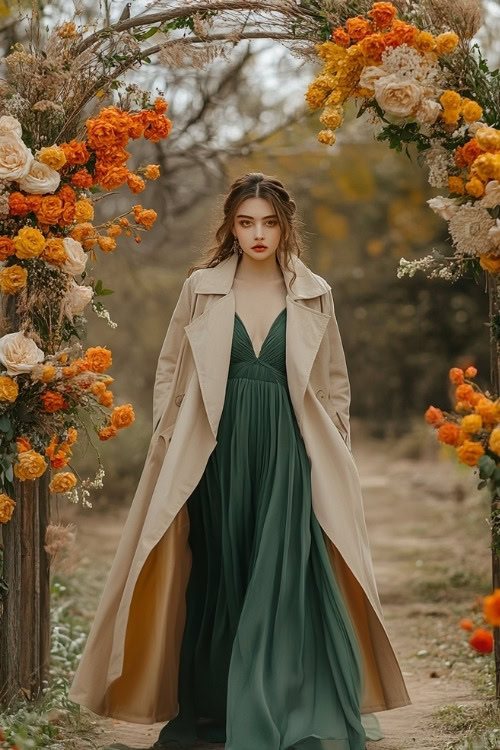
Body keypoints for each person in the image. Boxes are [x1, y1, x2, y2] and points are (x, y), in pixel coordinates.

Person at [68, 172, 411, 750]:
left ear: (286, 226)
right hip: (214, 451)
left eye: (269, 223)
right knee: (222, 573)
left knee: (281, 575)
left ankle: (284, 708)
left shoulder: (314, 290)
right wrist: (169, 442)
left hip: (291, 451)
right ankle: (218, 709)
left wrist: (337, 454)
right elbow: (171, 370)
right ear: (230, 225)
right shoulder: (200, 287)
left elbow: (333, 383)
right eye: (246, 222)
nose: (258, 234)